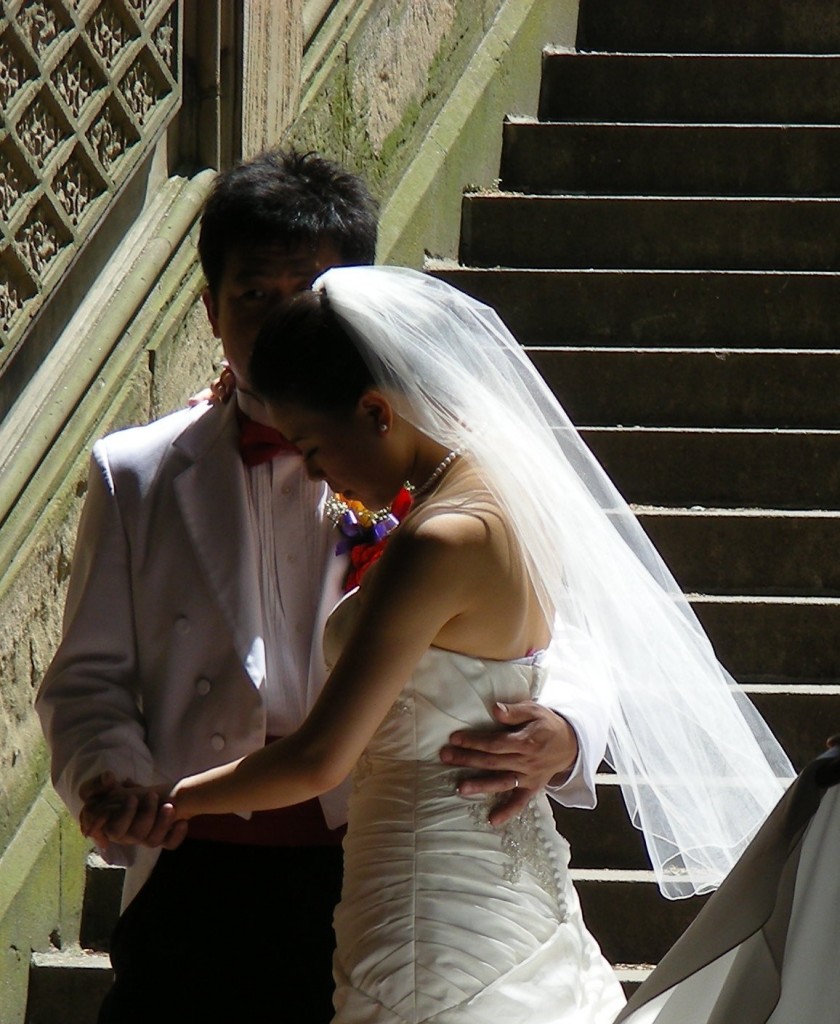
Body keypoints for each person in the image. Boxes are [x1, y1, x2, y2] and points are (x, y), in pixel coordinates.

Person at [88, 266, 795, 1023]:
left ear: (375, 411)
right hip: (504, 884)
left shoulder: (439, 539)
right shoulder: (507, 497)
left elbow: (319, 759)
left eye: (316, 448)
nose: (320, 478)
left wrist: (174, 799)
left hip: (426, 900)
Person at [36, 155, 605, 1024]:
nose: (279, 326)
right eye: (254, 296)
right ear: (210, 308)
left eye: (307, 293)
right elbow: (86, 681)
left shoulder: (435, 475)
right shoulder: (137, 472)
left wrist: (565, 727)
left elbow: (571, 628)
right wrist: (121, 784)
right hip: (203, 863)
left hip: (367, 851)